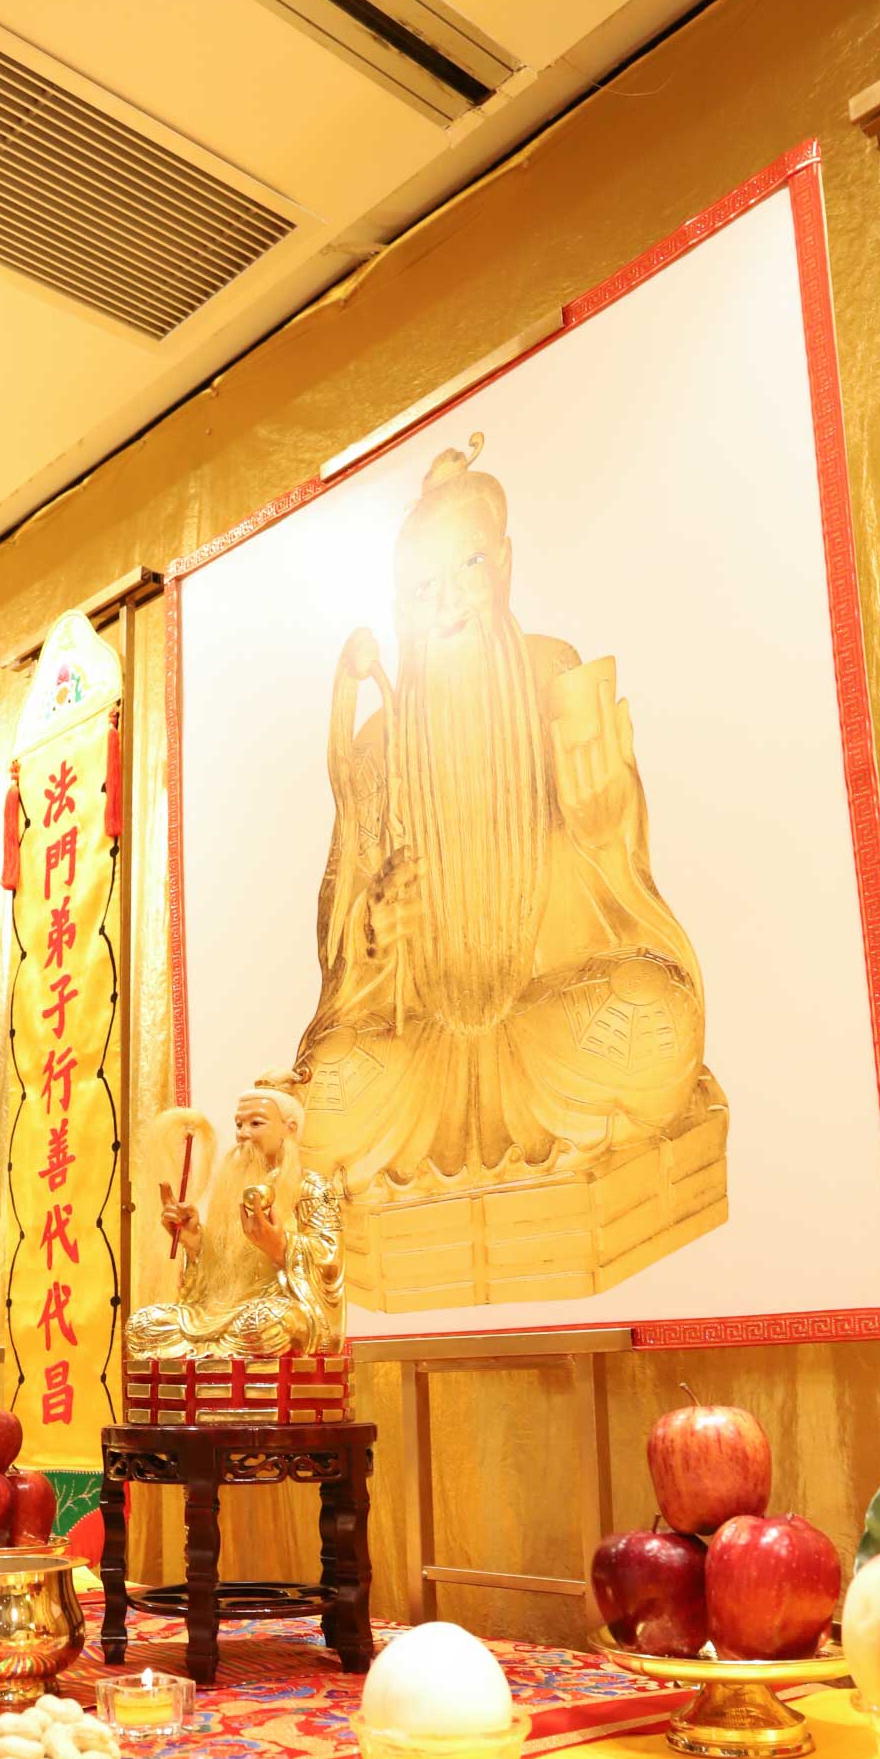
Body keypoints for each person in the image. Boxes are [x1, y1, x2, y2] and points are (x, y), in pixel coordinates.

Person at [294, 436, 722, 1203]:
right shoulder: (379, 740)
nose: (446, 602)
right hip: (423, 1056)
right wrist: (374, 929)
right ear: (398, 606)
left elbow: (616, 870)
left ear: (504, 564)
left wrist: (601, 824)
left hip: (546, 1023)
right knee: (322, 1091)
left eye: (467, 567)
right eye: (422, 587)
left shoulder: (550, 670)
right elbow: (344, 919)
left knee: (649, 1015)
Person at [124, 1085, 344, 1359]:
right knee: (142, 1324)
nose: (243, 1134)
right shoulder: (232, 1188)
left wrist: (282, 1246)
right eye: (239, 1125)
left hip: (274, 1310)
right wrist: (196, 1243)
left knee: (271, 1324)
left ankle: (205, 1349)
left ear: (290, 1128)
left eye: (256, 1124)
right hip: (224, 1313)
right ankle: (213, 1349)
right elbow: (222, 1275)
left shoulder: (314, 1188)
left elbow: (330, 1261)